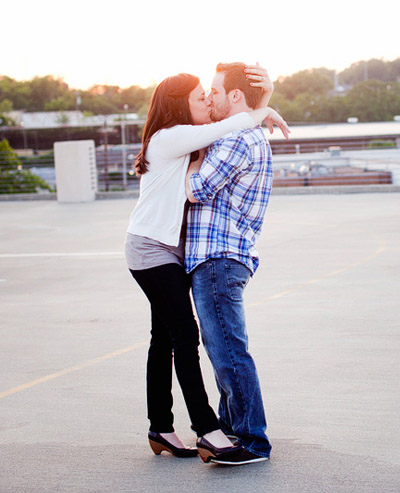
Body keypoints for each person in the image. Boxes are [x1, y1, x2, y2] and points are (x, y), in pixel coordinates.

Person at [125, 68, 288, 465]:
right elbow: (233, 119)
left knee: (163, 338)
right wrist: (264, 107)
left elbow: (229, 122)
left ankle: (161, 427)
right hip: (153, 249)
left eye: (209, 93)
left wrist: (260, 105)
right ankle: (208, 429)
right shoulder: (170, 138)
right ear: (181, 104)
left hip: (172, 251)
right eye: (200, 96)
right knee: (184, 335)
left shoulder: (191, 141)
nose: (206, 101)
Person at [185, 62, 277, 464]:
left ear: (236, 96)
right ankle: (229, 432)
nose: (211, 98)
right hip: (221, 257)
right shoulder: (243, 134)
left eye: (217, 92)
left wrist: (186, 162)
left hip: (219, 258)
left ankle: (251, 440)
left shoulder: (238, 138)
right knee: (223, 349)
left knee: (228, 352)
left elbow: (198, 188)